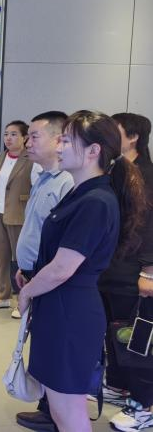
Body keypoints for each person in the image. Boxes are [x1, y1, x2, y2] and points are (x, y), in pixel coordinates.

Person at [17, 110, 146, 432]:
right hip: (60, 308)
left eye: (66, 141)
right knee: (60, 407)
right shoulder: (82, 192)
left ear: (93, 151)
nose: (59, 147)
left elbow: (63, 268)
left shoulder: (96, 201)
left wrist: (27, 292)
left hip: (70, 314)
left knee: (68, 409)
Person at [11, 112, 74, 432]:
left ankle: (55, 411)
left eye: (34, 136)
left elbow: (65, 244)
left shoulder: (67, 183)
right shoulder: (43, 177)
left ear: (58, 139)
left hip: (50, 277)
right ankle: (48, 406)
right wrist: (24, 267)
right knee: (42, 344)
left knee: (53, 346)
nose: (27, 142)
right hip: (32, 272)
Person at [100, 113, 153, 432]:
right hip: (113, 268)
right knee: (113, 332)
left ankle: (144, 405)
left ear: (133, 137)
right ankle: (118, 386)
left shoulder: (146, 175)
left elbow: (150, 228)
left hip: (136, 271)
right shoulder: (117, 170)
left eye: (114, 130)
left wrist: (149, 271)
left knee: (137, 338)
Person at [0, 120, 33, 314]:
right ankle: (2, 296)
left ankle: (23, 301)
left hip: (20, 216)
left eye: (14, 134)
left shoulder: (31, 159)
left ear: (25, 138)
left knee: (22, 261)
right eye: (6, 134)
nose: (8, 138)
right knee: (0, 258)